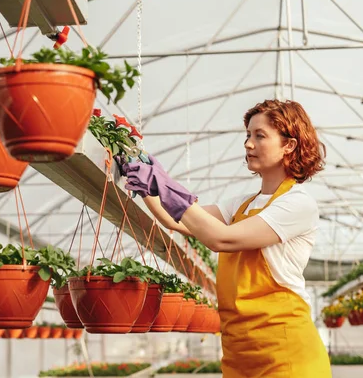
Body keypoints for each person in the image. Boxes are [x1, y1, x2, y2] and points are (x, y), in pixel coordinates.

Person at [120, 99, 332, 378]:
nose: (248, 144)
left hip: (286, 355)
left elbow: (222, 239)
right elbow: (177, 221)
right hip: (238, 355)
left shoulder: (297, 204)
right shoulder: (241, 205)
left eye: (260, 136)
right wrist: (148, 186)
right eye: (247, 135)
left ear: (289, 146)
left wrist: (167, 187)